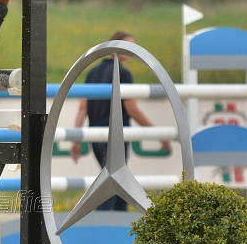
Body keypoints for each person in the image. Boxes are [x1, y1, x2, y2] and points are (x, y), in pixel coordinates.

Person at [69, 31, 171, 211]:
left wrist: (76, 137)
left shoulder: (93, 71)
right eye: (129, 46)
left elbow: (82, 107)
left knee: (113, 182)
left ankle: (115, 221)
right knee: (114, 185)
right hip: (116, 136)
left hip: (96, 135)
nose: (132, 51)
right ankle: (108, 223)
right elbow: (132, 109)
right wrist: (158, 133)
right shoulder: (123, 73)